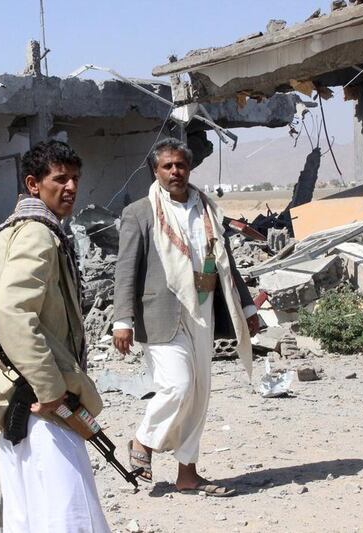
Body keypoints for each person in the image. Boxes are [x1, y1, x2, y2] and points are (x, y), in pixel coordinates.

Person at [112, 137, 260, 496]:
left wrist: (247, 306)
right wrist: (122, 320)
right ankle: (143, 441)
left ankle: (188, 474)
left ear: (189, 168)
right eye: (168, 166)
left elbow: (226, 262)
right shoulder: (140, 213)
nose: (175, 171)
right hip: (159, 313)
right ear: (155, 170)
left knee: (198, 393)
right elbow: (126, 269)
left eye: (180, 165)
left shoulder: (206, 208)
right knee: (177, 386)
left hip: (203, 309)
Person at [0, 140, 110, 532]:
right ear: (33, 184)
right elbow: (13, 310)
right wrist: (51, 388)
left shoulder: (12, 231)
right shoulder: (37, 234)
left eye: (75, 179)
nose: (70, 187)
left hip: (20, 394)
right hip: (42, 399)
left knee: (29, 514)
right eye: (60, 179)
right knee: (70, 514)